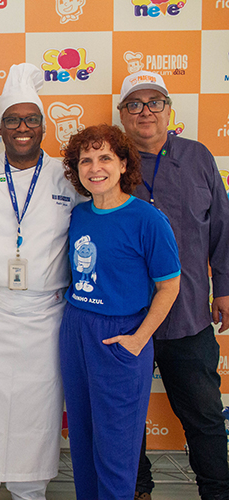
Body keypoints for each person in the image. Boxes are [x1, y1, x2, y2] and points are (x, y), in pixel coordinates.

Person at [0, 62, 84, 500]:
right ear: (0, 129)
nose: (21, 128)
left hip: (47, 315)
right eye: (12, 120)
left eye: (30, 120)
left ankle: (30, 491)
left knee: (37, 410)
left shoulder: (70, 178)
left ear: (43, 127)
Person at [116, 71, 229, 500]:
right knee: (126, 418)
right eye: (134, 104)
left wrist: (225, 289)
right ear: (123, 116)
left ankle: (217, 492)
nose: (145, 111)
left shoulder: (199, 157)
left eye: (154, 102)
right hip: (125, 318)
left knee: (203, 415)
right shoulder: (108, 161)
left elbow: (222, 227)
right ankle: (136, 491)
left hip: (187, 317)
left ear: (169, 111)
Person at [60, 124, 181, 500]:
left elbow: (169, 286)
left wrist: (139, 339)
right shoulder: (78, 216)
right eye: (86, 160)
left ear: (124, 163)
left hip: (121, 335)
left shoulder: (147, 220)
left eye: (105, 157)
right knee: (83, 439)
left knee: (116, 447)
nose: (95, 167)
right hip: (77, 328)